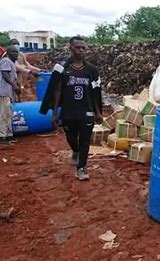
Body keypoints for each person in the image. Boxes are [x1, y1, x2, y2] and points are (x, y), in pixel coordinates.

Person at [40, 36, 102, 181]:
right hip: (68, 111)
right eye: (78, 47)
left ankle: (81, 167)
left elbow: (95, 92)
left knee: (85, 140)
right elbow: (57, 90)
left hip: (86, 110)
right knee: (71, 138)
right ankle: (75, 151)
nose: (81, 50)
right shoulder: (62, 68)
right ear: (71, 49)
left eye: (83, 48)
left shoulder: (92, 70)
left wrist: (98, 111)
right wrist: (55, 113)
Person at [0, 46, 19, 145]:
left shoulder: (11, 63)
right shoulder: (6, 60)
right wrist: (14, 85)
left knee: (8, 114)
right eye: (14, 52)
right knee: (3, 114)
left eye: (17, 52)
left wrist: (15, 87)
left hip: (7, 92)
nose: (16, 54)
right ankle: (1, 137)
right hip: (2, 92)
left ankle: (8, 135)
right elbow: (5, 74)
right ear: (8, 53)